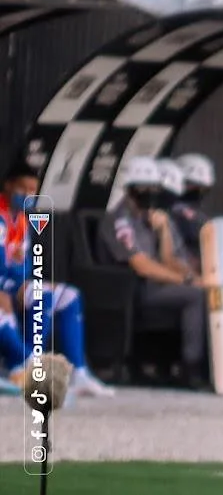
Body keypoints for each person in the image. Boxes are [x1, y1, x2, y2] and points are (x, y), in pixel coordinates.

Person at [0, 170, 116, 397]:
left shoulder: (22, 220)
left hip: (10, 286)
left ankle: (79, 373)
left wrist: (24, 282)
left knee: (65, 295)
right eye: (23, 188)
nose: (27, 194)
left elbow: (24, 264)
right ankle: (27, 363)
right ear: (8, 185)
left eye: (33, 190)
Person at [98, 157, 208, 390]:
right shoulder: (119, 220)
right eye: (144, 188)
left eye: (153, 188)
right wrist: (186, 280)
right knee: (195, 295)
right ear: (130, 189)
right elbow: (142, 266)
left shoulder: (152, 217)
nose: (149, 193)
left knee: (205, 291)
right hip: (131, 290)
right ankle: (191, 368)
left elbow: (169, 260)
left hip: (158, 287)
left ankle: (191, 366)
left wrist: (165, 230)